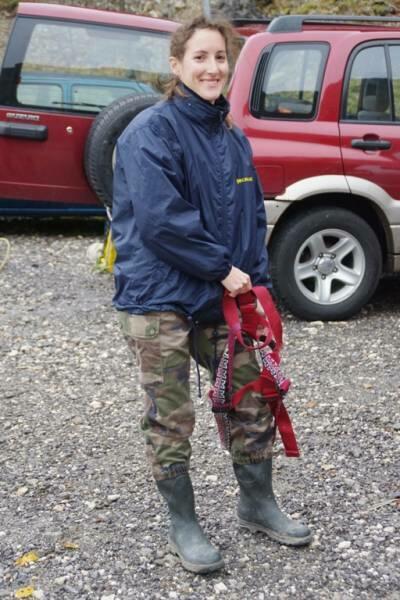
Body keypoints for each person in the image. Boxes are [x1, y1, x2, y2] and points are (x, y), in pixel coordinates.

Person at [111, 15, 312, 574]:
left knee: (253, 393)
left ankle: (257, 502)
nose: (212, 67)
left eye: (220, 57)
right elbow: (161, 221)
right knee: (171, 416)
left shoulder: (232, 137)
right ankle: (183, 523)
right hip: (158, 295)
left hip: (223, 292)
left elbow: (249, 218)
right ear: (176, 65)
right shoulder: (149, 132)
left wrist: (258, 287)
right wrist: (223, 269)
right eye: (199, 57)